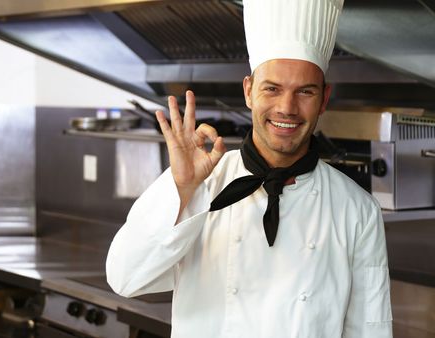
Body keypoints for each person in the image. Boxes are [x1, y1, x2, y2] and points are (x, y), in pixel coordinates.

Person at [106, 0, 392, 337]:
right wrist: (181, 188)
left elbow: (370, 329)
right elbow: (125, 278)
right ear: (248, 91)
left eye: (305, 91)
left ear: (324, 99)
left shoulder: (357, 210)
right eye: (272, 88)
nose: (287, 108)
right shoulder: (201, 184)